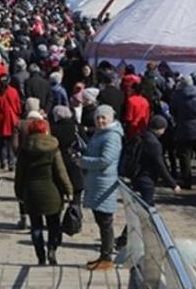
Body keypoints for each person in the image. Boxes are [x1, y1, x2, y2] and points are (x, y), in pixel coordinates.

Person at [16, 118, 73, 266]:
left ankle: (40, 256)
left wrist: (19, 194)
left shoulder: (25, 149)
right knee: (53, 224)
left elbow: (19, 174)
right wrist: (68, 190)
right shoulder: (53, 148)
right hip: (52, 191)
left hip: (31, 192)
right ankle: (52, 250)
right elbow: (61, 172)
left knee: (36, 226)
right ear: (45, 130)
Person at [80, 105, 122, 271]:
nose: (100, 121)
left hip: (105, 183)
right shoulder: (100, 133)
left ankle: (107, 257)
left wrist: (82, 162)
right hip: (97, 182)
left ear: (110, 119)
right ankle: (103, 255)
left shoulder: (112, 136)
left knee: (105, 221)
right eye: (98, 118)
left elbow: (106, 160)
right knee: (101, 220)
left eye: (104, 118)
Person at [128, 115, 181, 206]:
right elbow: (160, 166)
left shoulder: (140, 136)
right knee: (147, 206)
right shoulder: (154, 144)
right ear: (160, 129)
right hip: (147, 178)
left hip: (135, 175)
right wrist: (173, 184)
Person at [170, 78, 196, 189]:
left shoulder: (178, 95)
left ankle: (187, 180)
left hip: (183, 128)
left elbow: (172, 110)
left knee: (185, 156)